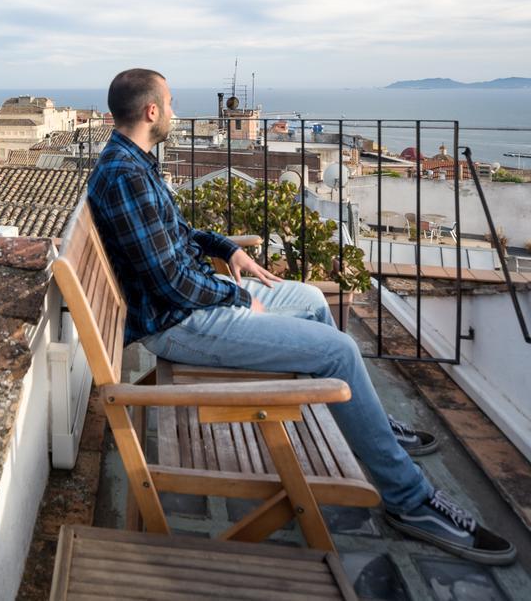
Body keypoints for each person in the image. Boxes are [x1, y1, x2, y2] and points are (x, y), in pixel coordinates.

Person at [86, 68, 515, 566]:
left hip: (192, 300)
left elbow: (179, 233)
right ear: (152, 111)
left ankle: (368, 420)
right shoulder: (124, 176)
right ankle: (410, 502)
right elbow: (170, 283)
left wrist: (229, 250)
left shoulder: (132, 162)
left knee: (311, 299)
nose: (177, 113)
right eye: (172, 103)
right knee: (340, 350)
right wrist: (238, 298)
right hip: (181, 322)